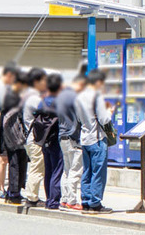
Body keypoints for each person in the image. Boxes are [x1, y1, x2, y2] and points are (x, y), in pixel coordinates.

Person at [75, 69, 114, 214]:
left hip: (84, 138)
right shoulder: (96, 96)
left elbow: (78, 119)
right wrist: (110, 111)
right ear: (98, 82)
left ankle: (85, 201)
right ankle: (95, 203)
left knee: (87, 171)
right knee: (98, 172)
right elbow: (104, 119)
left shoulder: (79, 97)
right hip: (97, 139)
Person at [57, 74, 87, 211]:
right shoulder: (75, 98)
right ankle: (73, 201)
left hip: (62, 136)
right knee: (75, 170)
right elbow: (82, 118)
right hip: (74, 138)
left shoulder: (61, 97)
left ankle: (64, 199)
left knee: (67, 170)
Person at [2, 71, 30, 205]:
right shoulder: (13, 97)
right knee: (16, 164)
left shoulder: (10, 96)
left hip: (12, 136)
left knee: (18, 163)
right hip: (14, 136)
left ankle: (13, 191)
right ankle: (14, 193)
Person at [0, 64, 18, 199]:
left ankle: (0, 188)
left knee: (3, 159)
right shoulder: (4, 89)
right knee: (2, 159)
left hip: (3, 126)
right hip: (3, 127)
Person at [39, 74, 64, 210]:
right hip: (56, 138)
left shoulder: (42, 101)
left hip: (44, 138)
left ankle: (49, 198)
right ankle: (54, 201)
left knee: (48, 170)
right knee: (57, 169)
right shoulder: (59, 101)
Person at [23, 67, 48, 208]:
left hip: (33, 139)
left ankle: (33, 196)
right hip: (35, 140)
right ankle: (32, 198)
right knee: (36, 168)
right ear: (36, 81)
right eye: (44, 80)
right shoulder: (34, 98)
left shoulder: (31, 96)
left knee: (37, 167)